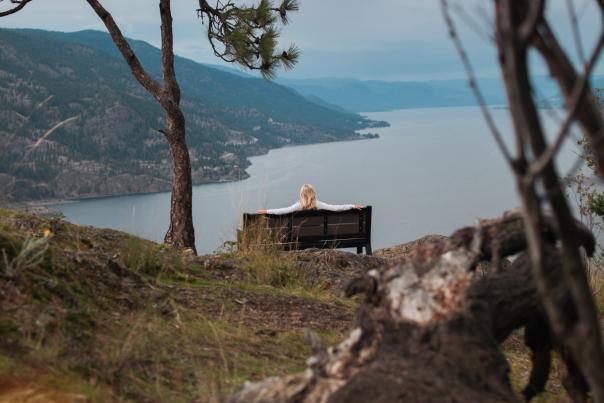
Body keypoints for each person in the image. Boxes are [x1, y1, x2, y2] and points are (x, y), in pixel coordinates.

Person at [256, 184, 363, 215]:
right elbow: (335, 208)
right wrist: (353, 206)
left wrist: (266, 211)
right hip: (318, 235)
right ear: (313, 193)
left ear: (301, 194)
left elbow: (284, 210)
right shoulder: (318, 204)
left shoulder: (299, 206)